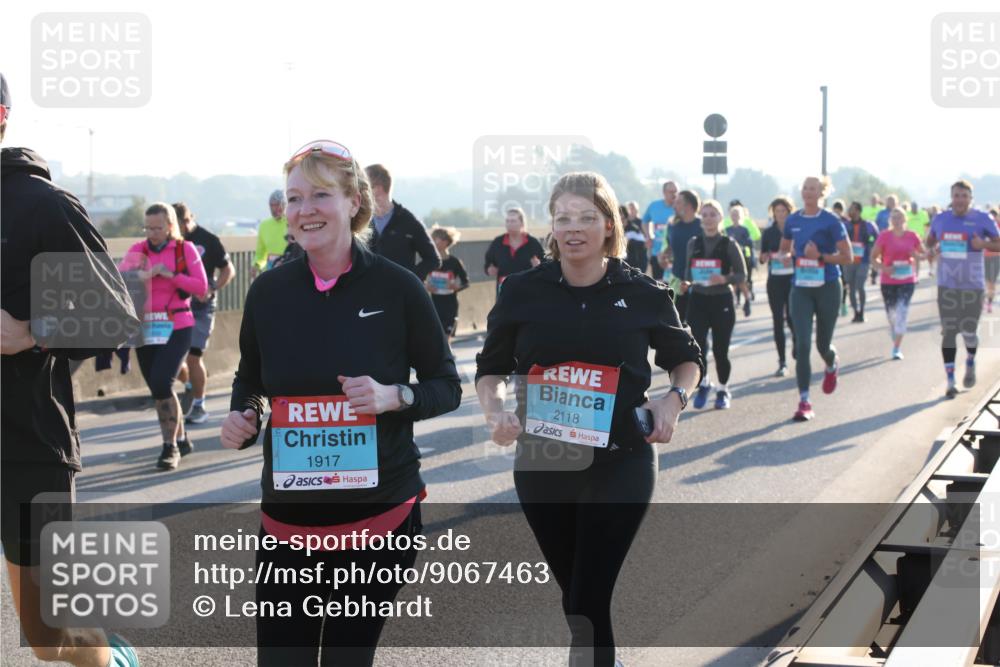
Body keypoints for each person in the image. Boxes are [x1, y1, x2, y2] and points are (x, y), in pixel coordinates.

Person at [221, 140, 461, 666]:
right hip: (289, 527)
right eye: (294, 197)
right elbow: (250, 379)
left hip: (378, 522)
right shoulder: (268, 292)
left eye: (321, 195)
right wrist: (248, 414)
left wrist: (393, 396)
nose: (305, 209)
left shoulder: (398, 288)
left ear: (355, 201)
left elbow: (447, 385)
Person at [475, 171, 702, 667]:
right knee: (575, 594)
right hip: (543, 462)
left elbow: (687, 359)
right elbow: (489, 370)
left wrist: (672, 401)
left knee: (586, 599)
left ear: (609, 224)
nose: (573, 228)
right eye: (563, 218)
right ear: (551, 227)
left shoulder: (643, 292)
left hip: (620, 461)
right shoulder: (521, 291)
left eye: (586, 217)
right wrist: (495, 413)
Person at [1, 71, 141, 667]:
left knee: (50, 638)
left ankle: (111, 653)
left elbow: (115, 317)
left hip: (25, 443)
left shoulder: (40, 205)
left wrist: (32, 332)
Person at [118, 203, 209, 469]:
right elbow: (120, 275)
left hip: (177, 325)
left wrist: (171, 275)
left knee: (161, 382)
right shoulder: (139, 249)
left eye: (158, 227)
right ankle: (181, 438)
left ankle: (169, 448)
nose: (152, 232)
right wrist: (142, 274)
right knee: (160, 388)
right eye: (148, 227)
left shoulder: (184, 250)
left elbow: (201, 287)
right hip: (145, 327)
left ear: (170, 226)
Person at [777, 176, 852, 421]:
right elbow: (784, 248)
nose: (808, 192)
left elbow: (847, 256)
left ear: (822, 192)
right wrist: (787, 256)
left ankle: (831, 363)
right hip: (801, 287)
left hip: (828, 285)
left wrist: (820, 255)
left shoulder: (831, 221)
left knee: (822, 345)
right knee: (803, 345)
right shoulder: (793, 220)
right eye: (805, 188)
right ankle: (804, 400)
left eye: (814, 188)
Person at [925, 180, 1000, 398]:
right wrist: (932, 248)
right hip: (947, 284)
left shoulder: (982, 219)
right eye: (956, 196)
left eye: (964, 196)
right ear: (951, 198)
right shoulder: (941, 219)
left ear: (970, 198)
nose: (959, 200)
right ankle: (950, 381)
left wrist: (983, 245)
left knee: (969, 333)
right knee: (949, 332)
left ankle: (970, 360)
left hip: (972, 285)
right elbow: (929, 241)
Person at [682, 200, 748, 409]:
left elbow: (741, 274)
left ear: (721, 218)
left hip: (722, 300)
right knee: (698, 348)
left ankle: (723, 389)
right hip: (699, 299)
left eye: (713, 214)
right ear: (701, 218)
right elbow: (688, 272)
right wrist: (686, 283)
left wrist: (725, 279)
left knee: (721, 350)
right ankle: (704, 383)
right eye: (706, 214)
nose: (709, 218)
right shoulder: (693, 242)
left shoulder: (729, 243)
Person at [173, 203, 234, 424]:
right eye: (180, 224)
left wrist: (213, 288)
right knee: (173, 359)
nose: (184, 227)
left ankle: (199, 405)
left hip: (201, 306)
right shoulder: (169, 241)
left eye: (187, 221)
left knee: (193, 355)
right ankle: (190, 384)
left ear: (191, 218)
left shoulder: (208, 239)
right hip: (176, 304)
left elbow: (228, 269)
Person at [365, 163, 440, 279]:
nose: (358, 190)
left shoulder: (409, 221)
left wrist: (409, 280)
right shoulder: (359, 220)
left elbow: (433, 260)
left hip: (399, 295)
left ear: (378, 188)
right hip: (367, 294)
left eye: (363, 186)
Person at [871, 208, 925, 359]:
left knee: (902, 312)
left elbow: (924, 254)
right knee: (892, 315)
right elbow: (873, 257)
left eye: (899, 217)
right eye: (894, 218)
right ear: (890, 220)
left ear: (905, 219)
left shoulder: (912, 236)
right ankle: (895, 332)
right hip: (888, 281)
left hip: (907, 280)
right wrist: (884, 268)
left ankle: (896, 348)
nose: (897, 220)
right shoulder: (884, 236)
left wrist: (916, 255)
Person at [759, 196, 796, 376]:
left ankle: (797, 342)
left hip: (793, 278)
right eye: (777, 211)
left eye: (783, 211)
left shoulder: (795, 229)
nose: (780, 214)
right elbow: (762, 255)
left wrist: (792, 256)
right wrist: (764, 257)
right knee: (777, 320)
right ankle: (782, 362)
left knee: (791, 316)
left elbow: (802, 251)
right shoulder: (769, 232)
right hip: (774, 280)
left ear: (789, 212)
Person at [665, 190, 704, 323]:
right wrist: (664, 256)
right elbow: (669, 249)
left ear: (689, 206)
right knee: (678, 324)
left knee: (697, 323)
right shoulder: (672, 226)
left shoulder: (704, 225)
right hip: (678, 281)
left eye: (678, 202)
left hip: (700, 282)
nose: (674, 206)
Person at [426, 224, 470, 340]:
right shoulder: (430, 261)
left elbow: (466, 282)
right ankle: (445, 355)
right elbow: (419, 279)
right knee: (437, 334)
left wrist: (456, 287)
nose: (433, 242)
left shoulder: (454, 262)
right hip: (434, 302)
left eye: (436, 239)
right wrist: (426, 286)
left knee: (446, 335)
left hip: (450, 304)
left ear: (445, 242)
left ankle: (446, 355)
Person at [483, 207, 544, 290]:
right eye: (507, 221)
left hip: (527, 288)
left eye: (513, 221)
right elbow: (488, 263)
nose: (509, 224)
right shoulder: (498, 242)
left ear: (522, 223)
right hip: (504, 288)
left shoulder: (532, 243)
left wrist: (539, 266)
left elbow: (545, 265)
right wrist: (489, 270)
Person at [843, 201, 880, 322]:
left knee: (860, 286)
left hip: (863, 261)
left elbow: (877, 239)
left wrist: (871, 247)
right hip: (849, 261)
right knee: (851, 287)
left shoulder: (869, 225)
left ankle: (862, 311)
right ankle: (856, 312)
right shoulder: (845, 225)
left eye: (852, 209)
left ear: (858, 211)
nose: (850, 211)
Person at [642, 180, 678, 280]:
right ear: (664, 192)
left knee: (673, 285)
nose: (674, 194)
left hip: (674, 255)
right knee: (658, 285)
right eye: (671, 191)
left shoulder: (679, 207)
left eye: (676, 191)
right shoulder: (654, 206)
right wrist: (648, 236)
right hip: (656, 252)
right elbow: (645, 221)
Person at [724, 203, 755, 313]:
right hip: (729, 258)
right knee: (731, 281)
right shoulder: (727, 230)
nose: (734, 216)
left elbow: (750, 243)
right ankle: (731, 301)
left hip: (742, 258)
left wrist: (741, 245)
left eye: (736, 214)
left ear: (740, 215)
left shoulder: (744, 230)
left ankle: (747, 300)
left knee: (741, 281)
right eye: (732, 214)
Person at [253, 190, 289, 276]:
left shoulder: (292, 223)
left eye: (277, 205)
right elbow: (261, 252)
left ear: (285, 205)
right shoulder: (264, 225)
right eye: (271, 205)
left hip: (290, 267)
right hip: (270, 269)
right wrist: (256, 265)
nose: (274, 209)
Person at [621, 204, 649, 272]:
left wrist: (630, 241)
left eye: (623, 218)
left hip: (634, 265)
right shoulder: (614, 229)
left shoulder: (634, 229)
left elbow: (644, 245)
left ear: (627, 217)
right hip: (620, 265)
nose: (621, 221)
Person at [984, 208, 999, 314]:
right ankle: (986, 300)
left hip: (995, 257)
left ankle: (989, 303)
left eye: (994, 216)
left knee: (991, 282)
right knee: (986, 281)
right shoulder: (983, 228)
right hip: (984, 257)